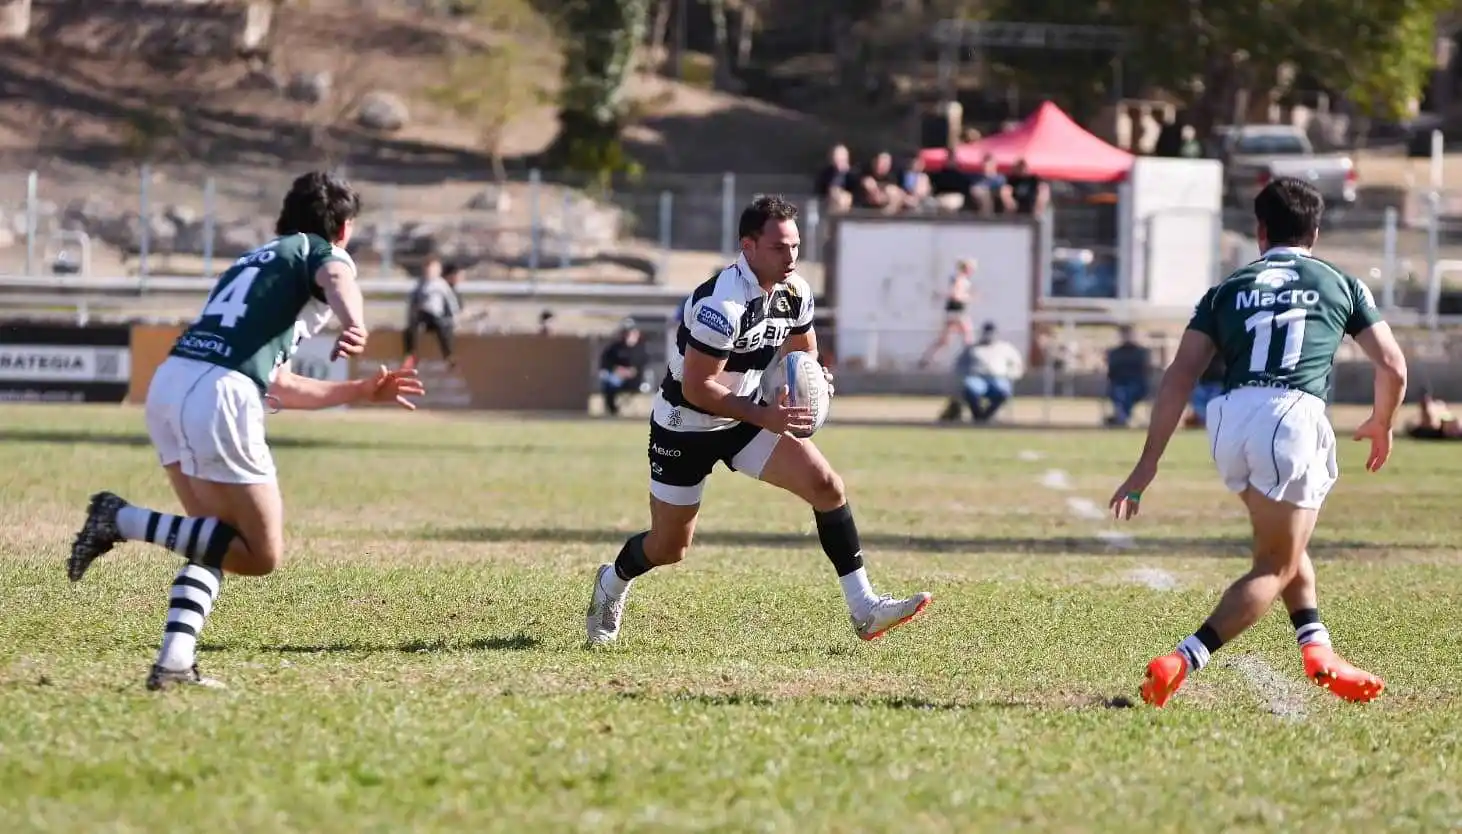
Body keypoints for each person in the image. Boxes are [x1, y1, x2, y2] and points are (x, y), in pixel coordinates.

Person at [66, 171, 426, 691]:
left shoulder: (254, 262)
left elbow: (278, 382)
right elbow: (338, 277)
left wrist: (359, 393)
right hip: (219, 394)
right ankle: (121, 519)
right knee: (260, 554)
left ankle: (173, 662)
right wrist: (356, 323)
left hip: (171, 385)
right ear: (343, 229)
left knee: (216, 539)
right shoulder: (318, 250)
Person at [1109, 176, 1408, 708]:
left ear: (1260, 230)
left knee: (1285, 545)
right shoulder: (1340, 282)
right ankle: (1183, 658)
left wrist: (1146, 464)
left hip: (1231, 418)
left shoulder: (1227, 289)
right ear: (1314, 232)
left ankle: (1317, 648)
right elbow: (1392, 365)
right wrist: (1382, 420)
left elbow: (1179, 375)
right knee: (1275, 563)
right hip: (1291, 416)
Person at [584, 195, 931, 647]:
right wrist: (764, 413)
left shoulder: (795, 292)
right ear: (748, 247)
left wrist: (811, 380)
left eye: (795, 246)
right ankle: (612, 582)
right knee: (669, 548)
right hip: (684, 425)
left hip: (745, 416)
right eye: (778, 247)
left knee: (827, 486)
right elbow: (698, 388)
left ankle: (864, 608)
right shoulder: (720, 305)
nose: (790, 257)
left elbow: (802, 349)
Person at [404, 260, 465, 368]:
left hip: (436, 314)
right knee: (411, 329)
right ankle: (411, 354)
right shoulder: (420, 283)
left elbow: (450, 300)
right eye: (427, 270)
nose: (429, 273)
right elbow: (412, 299)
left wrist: (454, 315)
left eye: (432, 270)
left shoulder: (441, 284)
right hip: (422, 313)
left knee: (443, 329)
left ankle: (448, 355)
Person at [917, 259, 976, 369]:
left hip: (951, 312)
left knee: (944, 341)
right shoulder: (961, 279)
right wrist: (969, 298)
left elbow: (952, 293)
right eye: (971, 268)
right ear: (966, 268)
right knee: (968, 338)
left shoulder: (957, 278)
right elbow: (956, 295)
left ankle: (925, 359)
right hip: (958, 312)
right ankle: (970, 362)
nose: (972, 270)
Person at [598, 318, 650, 416]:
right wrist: (616, 369)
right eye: (625, 333)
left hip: (636, 381)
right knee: (609, 383)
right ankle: (612, 411)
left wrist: (631, 372)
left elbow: (643, 366)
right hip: (617, 379)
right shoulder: (614, 348)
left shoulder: (641, 349)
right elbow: (605, 363)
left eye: (630, 332)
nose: (627, 335)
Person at [1104, 325, 1151, 427]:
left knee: (1124, 393)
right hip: (1118, 385)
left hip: (1137, 386)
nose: (1126, 337)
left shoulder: (1141, 352)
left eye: (1129, 334)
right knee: (1120, 392)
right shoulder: (1114, 353)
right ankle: (1123, 417)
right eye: (1124, 335)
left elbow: (1145, 370)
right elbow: (1111, 372)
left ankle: (1122, 416)